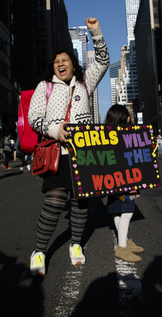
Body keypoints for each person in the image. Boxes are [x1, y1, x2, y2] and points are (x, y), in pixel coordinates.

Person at [28, 17, 109, 276]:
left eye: (65, 60)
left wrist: (94, 31)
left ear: (74, 65)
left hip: (84, 154)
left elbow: (104, 61)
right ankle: (39, 250)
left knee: (80, 202)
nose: (60, 64)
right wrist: (55, 130)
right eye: (56, 61)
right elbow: (34, 118)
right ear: (53, 67)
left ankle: (75, 245)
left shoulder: (86, 84)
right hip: (57, 153)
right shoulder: (45, 87)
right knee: (54, 201)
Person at [105, 104, 144, 263]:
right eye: (127, 115)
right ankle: (121, 247)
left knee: (117, 212)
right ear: (123, 118)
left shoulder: (106, 136)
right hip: (125, 182)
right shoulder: (126, 135)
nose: (130, 117)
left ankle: (124, 240)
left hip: (111, 183)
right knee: (127, 212)